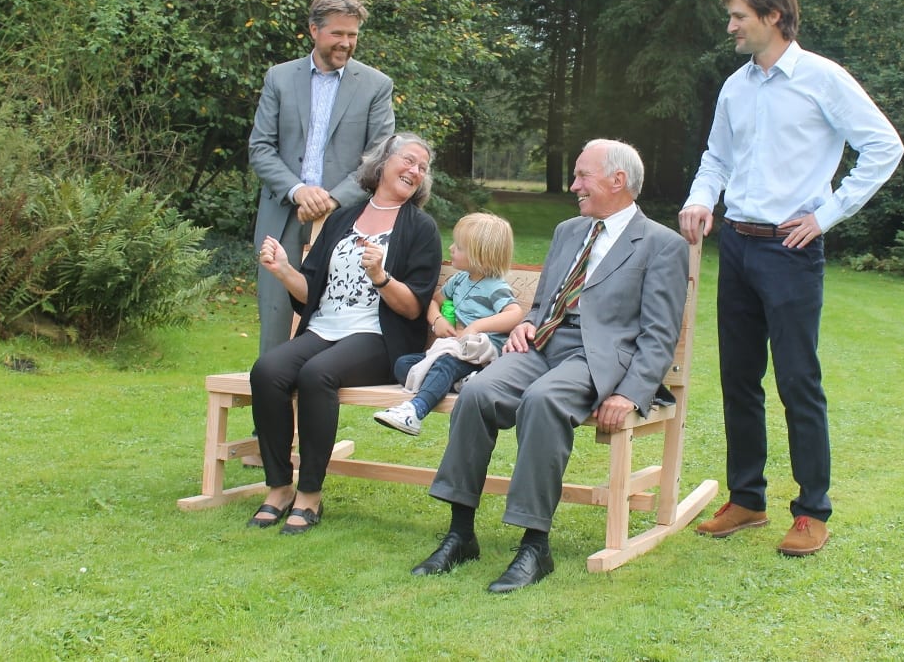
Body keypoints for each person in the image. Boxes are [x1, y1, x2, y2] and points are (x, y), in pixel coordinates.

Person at [678, 0, 904, 557]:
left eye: (739, 17)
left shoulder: (823, 79)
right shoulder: (737, 85)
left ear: (774, 17)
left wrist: (826, 214)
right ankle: (747, 498)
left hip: (791, 249)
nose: (729, 27)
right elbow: (716, 158)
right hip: (739, 246)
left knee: (798, 380)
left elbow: (884, 146)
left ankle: (812, 511)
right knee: (738, 378)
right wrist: (702, 200)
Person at [411, 139, 689, 592]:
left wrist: (630, 393)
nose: (575, 184)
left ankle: (534, 545)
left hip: (598, 358)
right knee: (478, 393)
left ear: (617, 180)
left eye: (583, 175)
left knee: (542, 401)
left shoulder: (660, 245)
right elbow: (542, 302)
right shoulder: (568, 231)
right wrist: (529, 323)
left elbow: (659, 333)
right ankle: (460, 533)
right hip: (542, 346)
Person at [247, 134, 441, 534]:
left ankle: (310, 494)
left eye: (422, 168)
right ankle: (280, 486)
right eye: (408, 160)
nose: (415, 171)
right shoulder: (341, 219)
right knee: (267, 371)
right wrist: (284, 269)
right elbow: (311, 292)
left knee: (318, 374)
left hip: (378, 338)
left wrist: (381, 277)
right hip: (324, 329)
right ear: (383, 163)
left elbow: (414, 307)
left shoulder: (420, 229)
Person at [249, 0, 396, 359]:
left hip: (344, 218)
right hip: (282, 213)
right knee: (276, 313)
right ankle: (272, 413)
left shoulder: (376, 85)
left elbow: (377, 159)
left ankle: (316, 399)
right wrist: (299, 191)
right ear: (313, 30)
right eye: (338, 34)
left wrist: (331, 199)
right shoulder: (279, 78)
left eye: (353, 35)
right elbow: (260, 149)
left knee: (332, 314)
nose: (346, 43)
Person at [374, 212, 525, 436]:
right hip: (458, 352)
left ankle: (414, 412)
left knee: (445, 364)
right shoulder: (459, 280)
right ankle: (459, 383)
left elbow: (514, 313)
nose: (452, 248)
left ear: (480, 256)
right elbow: (434, 302)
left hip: (481, 355)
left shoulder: (495, 286)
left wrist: (476, 327)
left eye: (460, 247)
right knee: (404, 364)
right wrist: (437, 320)